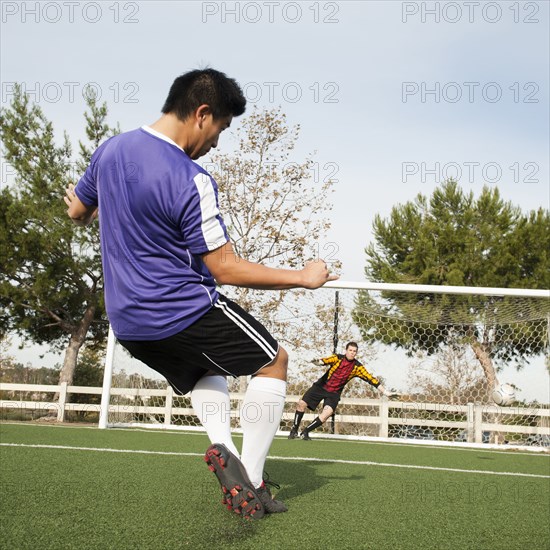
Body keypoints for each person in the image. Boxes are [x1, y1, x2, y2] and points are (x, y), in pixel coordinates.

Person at [64, 68, 337, 519]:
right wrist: (302, 276)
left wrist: (83, 204)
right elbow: (224, 268)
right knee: (274, 361)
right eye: (221, 129)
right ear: (202, 114)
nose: (216, 142)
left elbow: (78, 210)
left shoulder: (110, 150)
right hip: (182, 308)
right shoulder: (190, 177)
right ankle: (252, 477)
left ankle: (224, 449)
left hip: (128, 322)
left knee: (203, 370)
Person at [288, 342, 390, 440]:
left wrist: (386, 392)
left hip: (334, 393)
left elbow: (371, 379)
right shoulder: (337, 358)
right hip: (321, 386)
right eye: (350, 350)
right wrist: (319, 362)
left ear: (356, 353)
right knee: (301, 404)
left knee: (326, 414)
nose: (352, 352)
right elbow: (326, 360)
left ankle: (305, 432)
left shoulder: (357, 367)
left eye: (354, 351)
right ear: (346, 350)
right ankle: (294, 430)